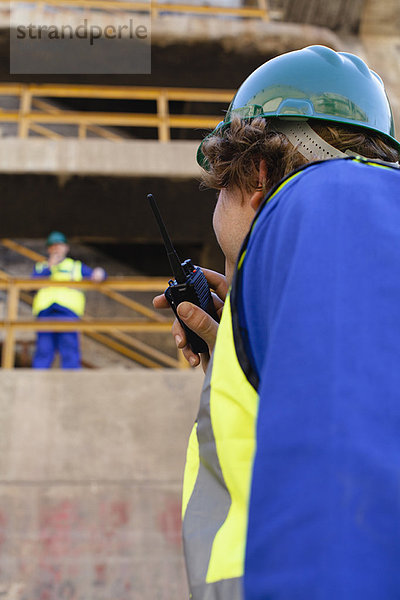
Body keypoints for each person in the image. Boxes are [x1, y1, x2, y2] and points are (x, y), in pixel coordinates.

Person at [154, 45, 400, 599]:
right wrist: (239, 352)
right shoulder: (346, 226)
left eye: (219, 189)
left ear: (257, 174)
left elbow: (342, 491)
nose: (215, 210)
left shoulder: (336, 202)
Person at [32, 231, 106, 369]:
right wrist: (50, 266)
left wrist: (100, 272)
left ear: (66, 248)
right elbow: (32, 284)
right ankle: (37, 385)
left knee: (69, 349)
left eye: (59, 246)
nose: (56, 249)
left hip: (67, 312)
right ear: (49, 249)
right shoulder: (41, 267)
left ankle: (72, 386)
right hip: (45, 312)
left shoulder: (75, 266)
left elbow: (97, 275)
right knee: (43, 350)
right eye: (53, 246)